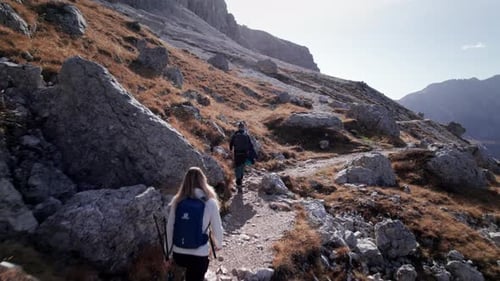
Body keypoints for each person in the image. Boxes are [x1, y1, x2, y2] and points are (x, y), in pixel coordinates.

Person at [166, 167, 223, 281]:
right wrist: (218, 245)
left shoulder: (177, 201)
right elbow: (217, 228)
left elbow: (170, 228)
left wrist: (167, 254)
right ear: (203, 181)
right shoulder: (210, 202)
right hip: (199, 254)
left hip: (179, 254)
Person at [229, 121, 255, 188]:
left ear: (238, 127)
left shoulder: (235, 134)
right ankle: (240, 180)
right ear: (243, 127)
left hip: (237, 153)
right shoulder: (246, 135)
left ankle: (238, 181)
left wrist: (231, 150)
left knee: (237, 167)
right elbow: (250, 145)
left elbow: (231, 144)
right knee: (242, 166)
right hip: (244, 154)